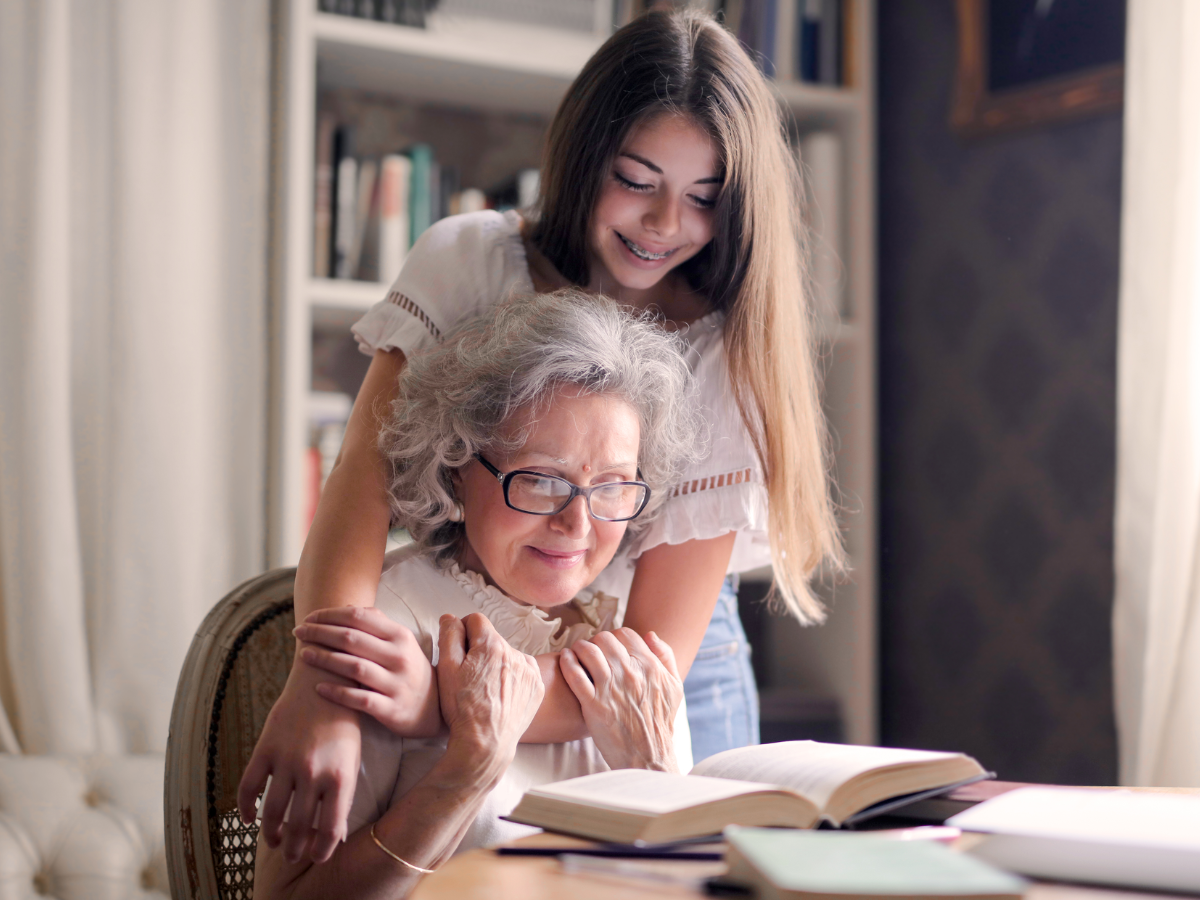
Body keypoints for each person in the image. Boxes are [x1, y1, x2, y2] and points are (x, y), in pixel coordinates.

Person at [239, 7, 844, 865]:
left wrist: (433, 706)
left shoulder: (723, 350)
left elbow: (655, 653)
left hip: (654, 671)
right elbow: (357, 500)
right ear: (583, 156)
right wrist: (325, 686)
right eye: (636, 180)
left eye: (704, 198)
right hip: (472, 624)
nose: (666, 224)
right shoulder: (471, 262)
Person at [253, 292, 696, 899]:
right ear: (457, 465)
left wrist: (656, 777)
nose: (579, 523)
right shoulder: (386, 630)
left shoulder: (629, 650)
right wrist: (465, 774)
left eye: (614, 486)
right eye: (542, 480)